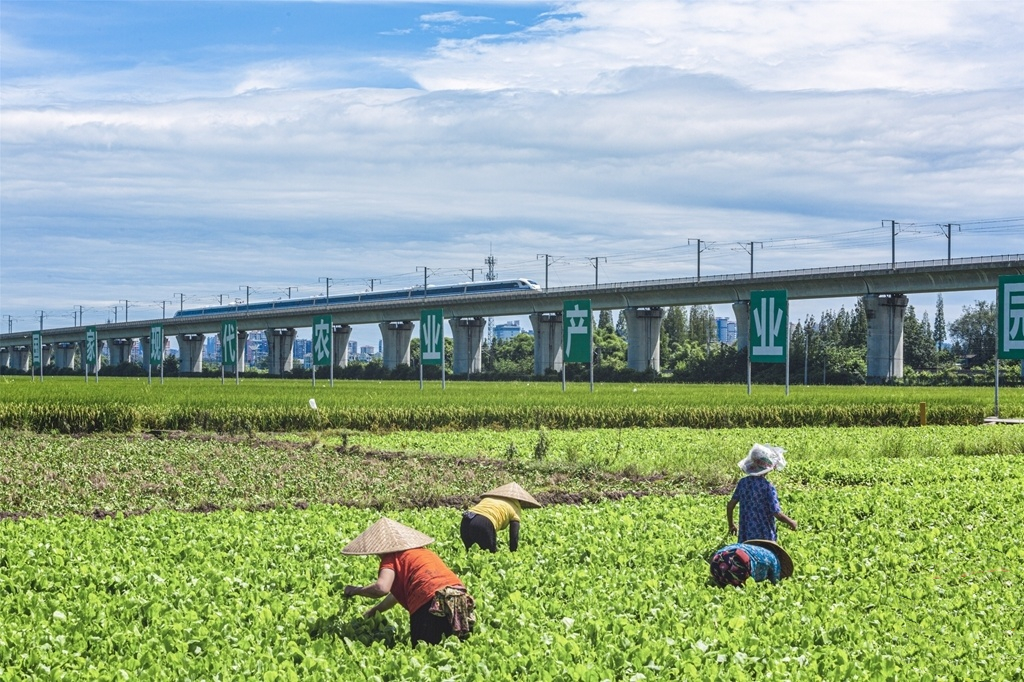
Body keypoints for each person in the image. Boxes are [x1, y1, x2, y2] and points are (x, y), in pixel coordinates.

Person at [342, 517, 475, 646]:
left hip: (429, 602)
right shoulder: (422, 553)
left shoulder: (390, 558)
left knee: (424, 652)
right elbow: (394, 595)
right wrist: (374, 611)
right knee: (453, 647)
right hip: (457, 598)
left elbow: (381, 588)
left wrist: (355, 591)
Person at [726, 443, 798, 543]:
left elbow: (730, 506)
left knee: (746, 557)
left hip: (746, 534)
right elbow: (776, 513)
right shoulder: (768, 487)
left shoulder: (742, 483)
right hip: (764, 536)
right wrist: (791, 522)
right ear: (768, 468)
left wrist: (731, 524)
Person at [460, 482, 541, 553]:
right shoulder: (515, 506)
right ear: (519, 500)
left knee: (471, 554)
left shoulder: (489, 498)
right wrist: (513, 552)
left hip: (466, 520)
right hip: (483, 522)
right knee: (489, 558)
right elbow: (514, 534)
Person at [709, 539, 794, 586]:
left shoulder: (752, 548)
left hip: (717, 559)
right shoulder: (774, 558)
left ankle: (721, 580)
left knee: (722, 581)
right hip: (740, 564)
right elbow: (775, 581)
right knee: (737, 584)